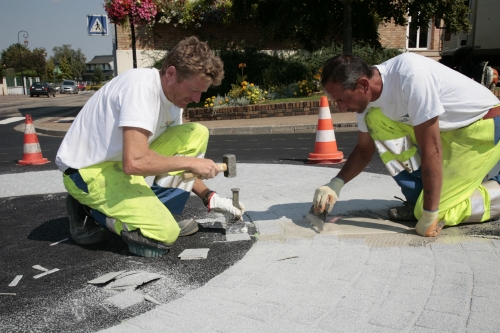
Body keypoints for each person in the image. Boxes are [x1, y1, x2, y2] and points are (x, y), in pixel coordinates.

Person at [56, 36, 244, 257]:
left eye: (201, 92)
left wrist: (209, 197)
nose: (197, 98)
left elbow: (176, 161)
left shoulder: (174, 100)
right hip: (88, 172)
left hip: (122, 164)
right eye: (194, 90)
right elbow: (135, 162)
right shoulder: (141, 89)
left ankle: (160, 211)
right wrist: (191, 163)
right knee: (164, 235)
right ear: (171, 73)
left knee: (196, 133)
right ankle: (90, 210)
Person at [312, 52, 500, 237]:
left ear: (363, 85)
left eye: (343, 100)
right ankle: (417, 197)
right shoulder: (366, 101)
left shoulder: (411, 77)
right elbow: (363, 150)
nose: (341, 108)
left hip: (479, 131)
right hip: (444, 129)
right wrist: (335, 184)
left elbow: (431, 151)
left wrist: (430, 212)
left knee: (438, 212)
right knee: (376, 119)